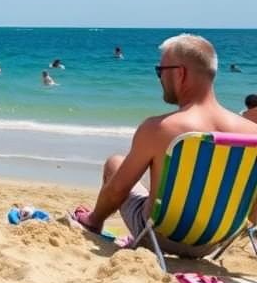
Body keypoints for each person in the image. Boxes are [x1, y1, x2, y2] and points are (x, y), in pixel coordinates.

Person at [74, 34, 257, 257]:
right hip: (214, 242)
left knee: (116, 163)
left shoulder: (159, 128)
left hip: (159, 236)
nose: (159, 78)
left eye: (160, 71)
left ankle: (93, 222)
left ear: (180, 73)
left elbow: (117, 191)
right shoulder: (251, 132)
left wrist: (95, 216)